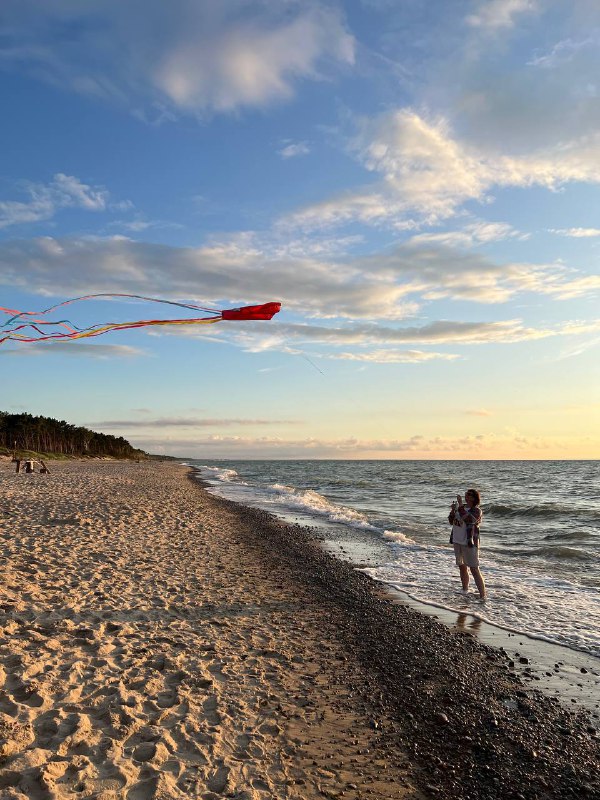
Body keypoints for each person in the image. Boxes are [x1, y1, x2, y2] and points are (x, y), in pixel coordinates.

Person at [448, 489, 486, 599]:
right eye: (466, 495)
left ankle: (483, 596)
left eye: (469, 495)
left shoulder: (476, 510)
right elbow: (452, 522)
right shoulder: (461, 508)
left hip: (469, 542)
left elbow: (470, 520)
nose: (466, 497)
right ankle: (465, 590)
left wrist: (460, 506)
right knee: (462, 566)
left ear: (474, 498)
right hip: (457, 540)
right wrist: (452, 511)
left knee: (474, 568)